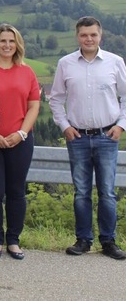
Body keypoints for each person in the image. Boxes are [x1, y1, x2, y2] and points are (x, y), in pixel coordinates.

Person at [49, 16, 126, 260]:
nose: (89, 39)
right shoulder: (66, 63)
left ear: (100, 35)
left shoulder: (115, 62)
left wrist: (121, 126)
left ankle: (108, 241)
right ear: (77, 36)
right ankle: (83, 240)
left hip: (107, 136)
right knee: (81, 192)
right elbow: (56, 99)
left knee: (107, 192)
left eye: (93, 34)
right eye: (84, 35)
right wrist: (64, 126)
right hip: (78, 137)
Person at [0, 24, 40, 260]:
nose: (7, 45)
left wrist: (22, 133)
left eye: (11, 41)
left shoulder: (27, 72)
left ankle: (13, 240)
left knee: (15, 191)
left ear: (17, 44)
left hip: (20, 141)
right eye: (2, 41)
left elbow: (34, 105)